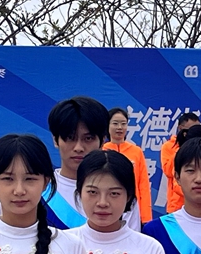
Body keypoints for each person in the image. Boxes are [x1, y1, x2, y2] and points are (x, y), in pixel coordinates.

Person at [72, 150, 169, 254]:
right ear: (79, 192)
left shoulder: (150, 248)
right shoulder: (60, 243)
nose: (102, 203)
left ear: (128, 196)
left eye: (114, 194)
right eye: (93, 192)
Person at [46, 96, 139, 232]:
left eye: (88, 138)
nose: (78, 147)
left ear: (102, 140)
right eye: (70, 138)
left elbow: (132, 240)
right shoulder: (41, 191)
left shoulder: (120, 191)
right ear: (55, 140)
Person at [104, 106, 154, 223]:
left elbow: (143, 185)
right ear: (108, 125)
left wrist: (146, 217)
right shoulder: (101, 150)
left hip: (132, 208)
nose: (119, 127)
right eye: (115, 123)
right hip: (107, 205)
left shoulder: (136, 151)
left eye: (123, 124)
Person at [159, 111, 201, 214]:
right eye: (191, 129)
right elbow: (168, 172)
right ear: (181, 129)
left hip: (199, 203)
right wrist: (182, 149)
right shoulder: (169, 146)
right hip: (176, 205)